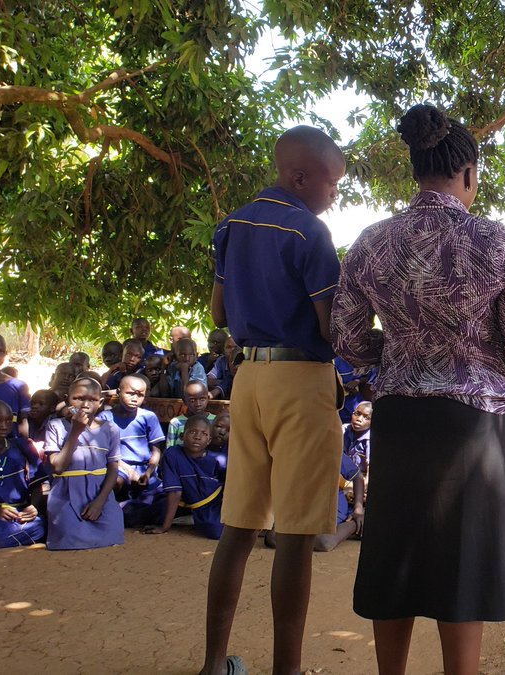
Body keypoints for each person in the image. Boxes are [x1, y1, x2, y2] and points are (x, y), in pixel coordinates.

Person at [331, 105, 505, 675]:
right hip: (474, 427)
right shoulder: (499, 243)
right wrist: (475, 357)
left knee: (396, 552)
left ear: (416, 169)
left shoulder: (371, 243)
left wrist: (404, 354)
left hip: (399, 417)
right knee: (463, 562)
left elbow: (348, 339)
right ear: (469, 173)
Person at [206, 124, 348, 675]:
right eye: (331, 183)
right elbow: (331, 327)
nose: (334, 193)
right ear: (300, 176)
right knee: (293, 534)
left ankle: (214, 664)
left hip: (248, 382)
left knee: (238, 527)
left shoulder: (231, 226)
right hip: (300, 381)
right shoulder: (309, 234)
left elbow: (219, 316)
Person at [44, 378, 124, 550]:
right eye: (79, 398)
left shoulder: (110, 429)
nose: (85, 404)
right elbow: (57, 467)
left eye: (93, 400)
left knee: (113, 534)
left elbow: (113, 468)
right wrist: (75, 432)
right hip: (67, 494)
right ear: (67, 399)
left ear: (100, 402)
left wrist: (100, 502)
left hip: (100, 493)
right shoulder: (56, 426)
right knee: (69, 538)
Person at [99, 374, 167, 527]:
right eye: (130, 393)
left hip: (144, 468)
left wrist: (148, 473)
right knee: (115, 482)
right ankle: (117, 511)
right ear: (118, 392)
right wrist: (129, 471)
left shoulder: (148, 417)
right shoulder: (106, 417)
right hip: (117, 466)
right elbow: (105, 451)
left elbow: (156, 451)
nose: (135, 398)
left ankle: (126, 512)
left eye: (140, 395)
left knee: (166, 497)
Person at [145, 416, 226, 540]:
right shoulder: (173, 454)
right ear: (182, 436)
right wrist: (165, 527)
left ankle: (192, 518)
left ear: (209, 440)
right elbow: (175, 492)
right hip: (180, 503)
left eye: (204, 434)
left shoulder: (218, 460)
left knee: (215, 530)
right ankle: (183, 518)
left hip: (208, 505)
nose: (197, 437)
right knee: (136, 514)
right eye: (193, 432)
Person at [0, 400, 46, 548]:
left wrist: (33, 506)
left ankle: (7, 539)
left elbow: (37, 485)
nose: (4, 426)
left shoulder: (22, 446)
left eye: (9, 420)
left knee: (41, 524)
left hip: (20, 514)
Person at [0, 332, 31, 439]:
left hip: (8, 448)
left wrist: (25, 445)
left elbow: (23, 423)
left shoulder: (19, 387)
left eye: (0, 352)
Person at [166, 380, 217, 449]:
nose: (198, 404)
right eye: (192, 400)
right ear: (184, 401)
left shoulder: (215, 420)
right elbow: (170, 449)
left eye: (202, 399)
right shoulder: (176, 423)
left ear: (208, 398)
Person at [342, 401, 372, 476]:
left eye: (366, 417)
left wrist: (364, 486)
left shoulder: (370, 439)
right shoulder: (344, 429)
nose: (359, 419)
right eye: (357, 414)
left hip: (362, 476)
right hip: (344, 473)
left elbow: (370, 469)